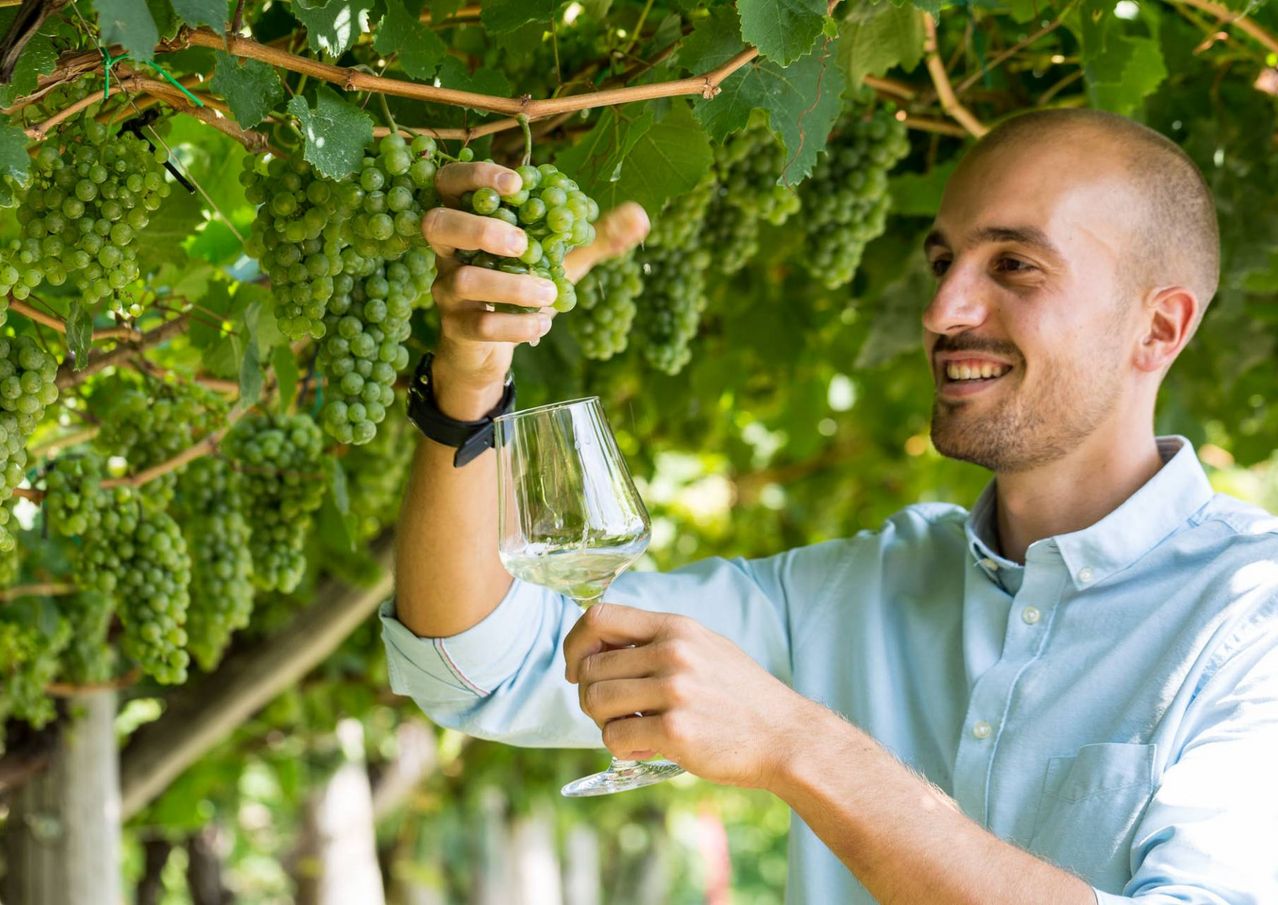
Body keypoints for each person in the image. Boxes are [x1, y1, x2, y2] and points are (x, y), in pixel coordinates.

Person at [383, 109, 1278, 903]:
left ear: (1159, 327)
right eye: (942, 259)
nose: (942, 307)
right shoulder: (862, 588)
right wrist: (469, 378)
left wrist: (798, 743)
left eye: (1014, 263)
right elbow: (478, 663)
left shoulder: (1253, 615)